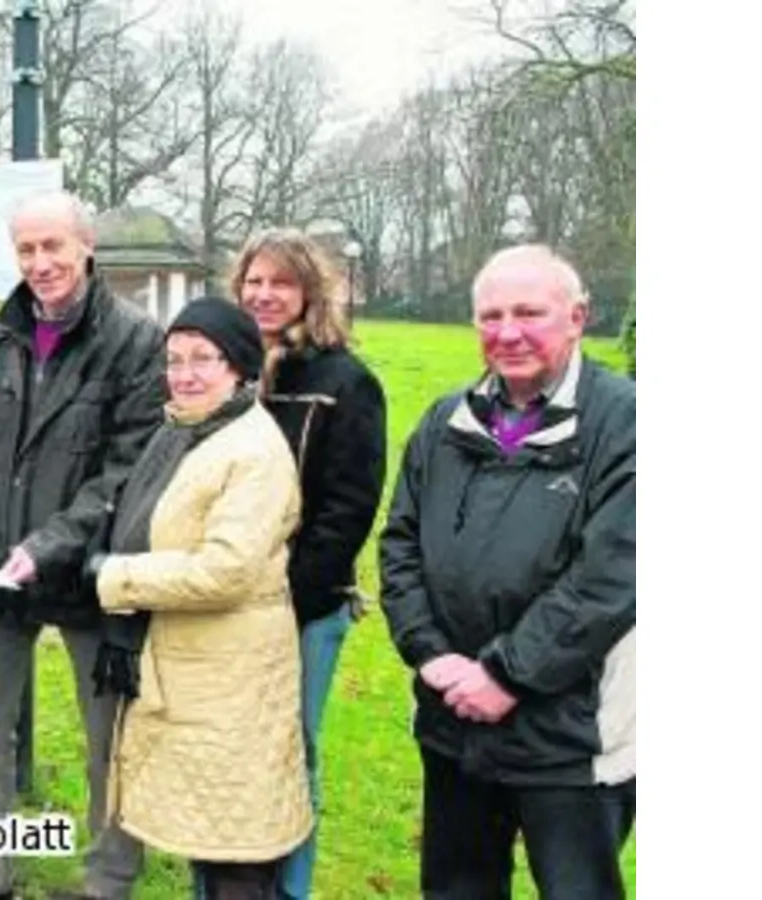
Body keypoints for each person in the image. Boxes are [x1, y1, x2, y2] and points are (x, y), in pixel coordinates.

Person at [0, 189, 165, 900]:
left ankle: (109, 879)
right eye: (26, 249)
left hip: (90, 576)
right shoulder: (2, 332)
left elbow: (128, 468)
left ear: (86, 248)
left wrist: (51, 544)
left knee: (108, 736)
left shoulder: (137, 341)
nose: (40, 263)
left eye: (53, 246)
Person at [378, 244, 636, 899]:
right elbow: (400, 545)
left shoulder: (628, 423)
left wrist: (505, 673)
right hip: (453, 719)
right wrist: (430, 655)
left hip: (568, 735)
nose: (508, 331)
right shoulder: (445, 422)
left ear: (577, 317)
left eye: (530, 312)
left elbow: (612, 577)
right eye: (491, 315)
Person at [86, 297, 310, 900]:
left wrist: (115, 575)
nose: (183, 374)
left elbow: (226, 570)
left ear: (238, 367)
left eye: (202, 360)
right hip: (193, 668)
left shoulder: (253, 450)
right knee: (210, 835)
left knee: (236, 846)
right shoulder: (187, 430)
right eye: (174, 359)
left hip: (230, 676)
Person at [226, 228, 388, 899]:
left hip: (302, 605)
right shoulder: (226, 371)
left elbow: (348, 509)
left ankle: (290, 886)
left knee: (293, 749)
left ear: (310, 292)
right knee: (234, 749)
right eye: (253, 282)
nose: (264, 295)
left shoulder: (345, 381)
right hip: (224, 597)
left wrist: (288, 594)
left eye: (280, 283)